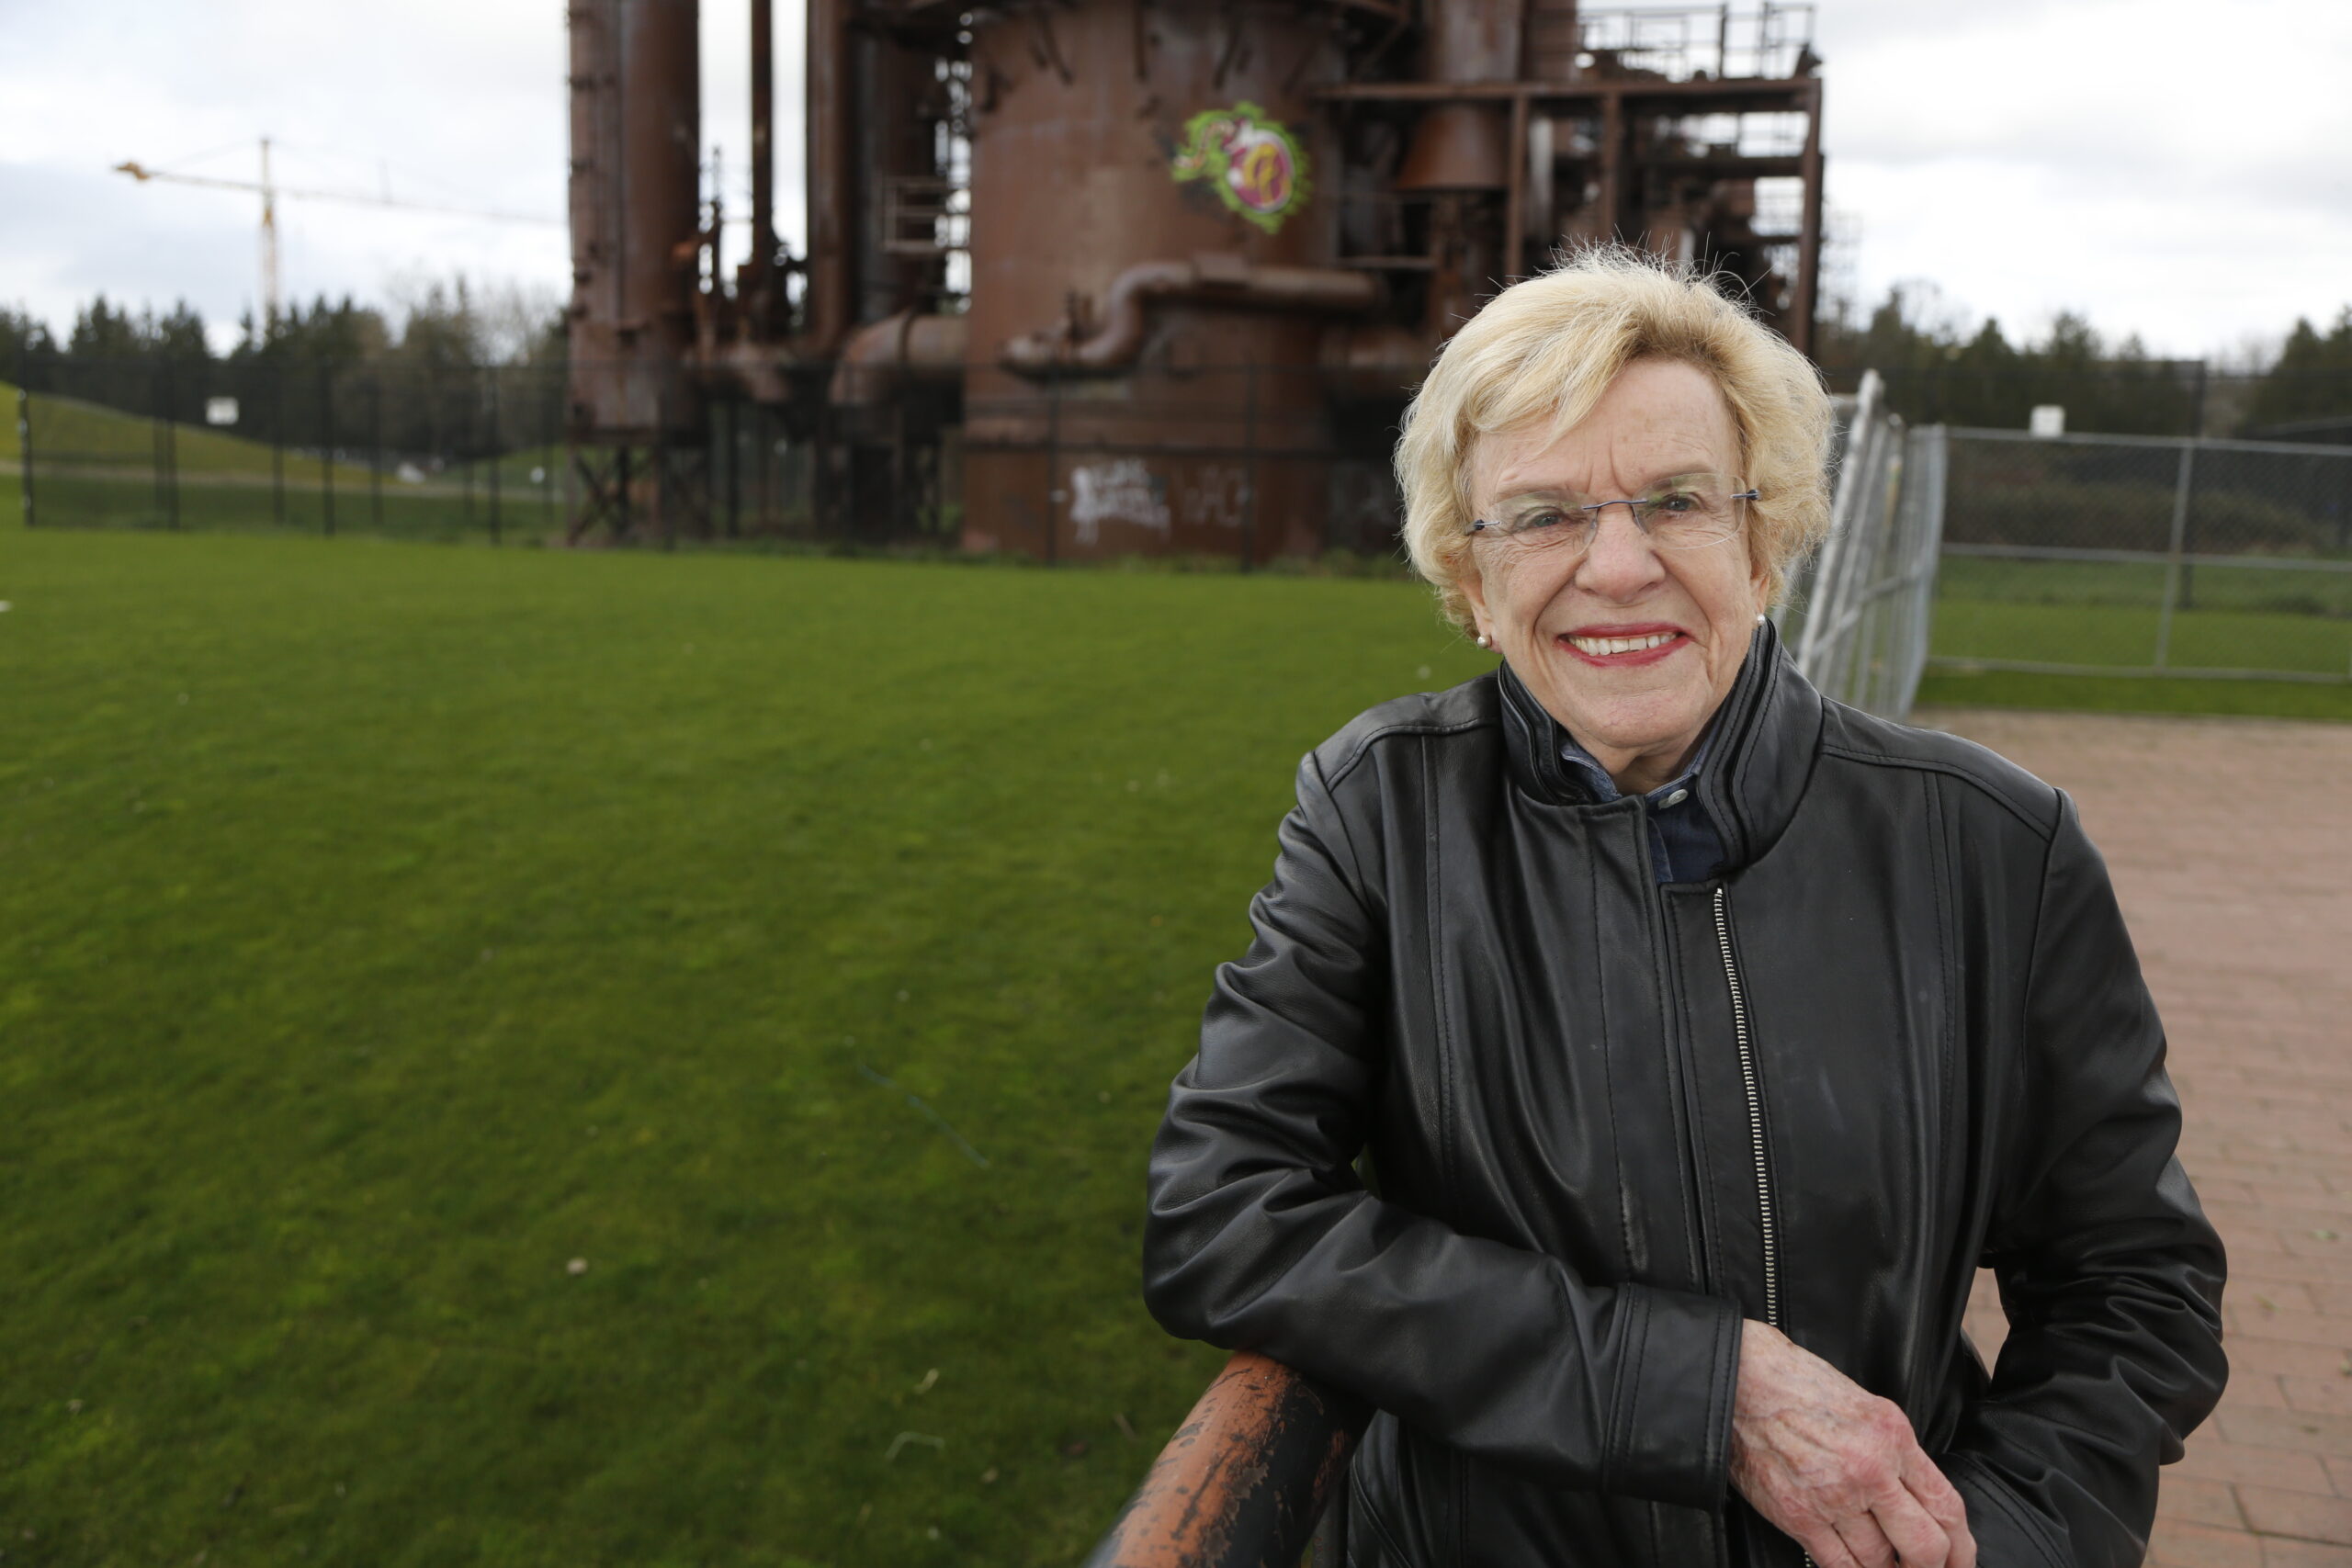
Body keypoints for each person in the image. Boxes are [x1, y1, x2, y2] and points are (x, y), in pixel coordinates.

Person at [1140, 250, 2226, 1568]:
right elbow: (1222, 1208)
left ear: (1762, 544)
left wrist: (1998, 1542)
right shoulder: (1382, 815)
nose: (1616, 566)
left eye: (1675, 500)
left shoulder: (1990, 844)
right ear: (1469, 585)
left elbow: (2134, 1285)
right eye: (1542, 515)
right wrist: (1703, 1396)